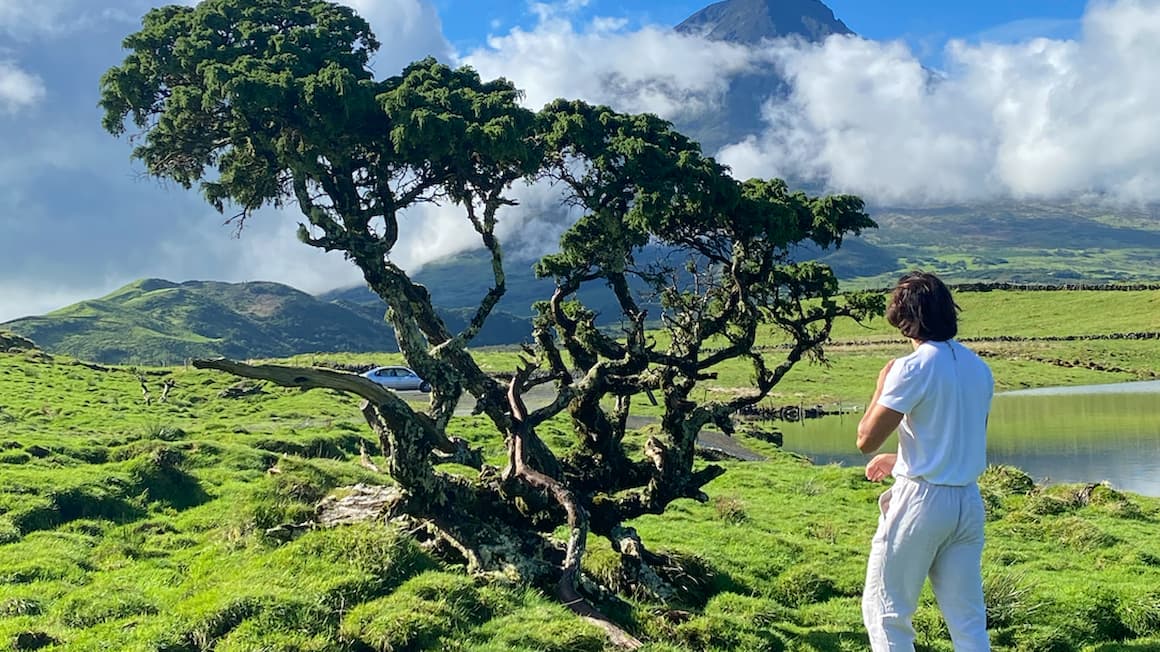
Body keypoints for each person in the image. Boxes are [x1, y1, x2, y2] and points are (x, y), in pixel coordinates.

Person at [857, 271, 994, 651]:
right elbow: (960, 438)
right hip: (967, 501)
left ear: (904, 318)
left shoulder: (911, 368)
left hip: (920, 501)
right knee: (968, 621)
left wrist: (881, 386)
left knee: (886, 611)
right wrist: (899, 456)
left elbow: (866, 439)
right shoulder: (978, 368)